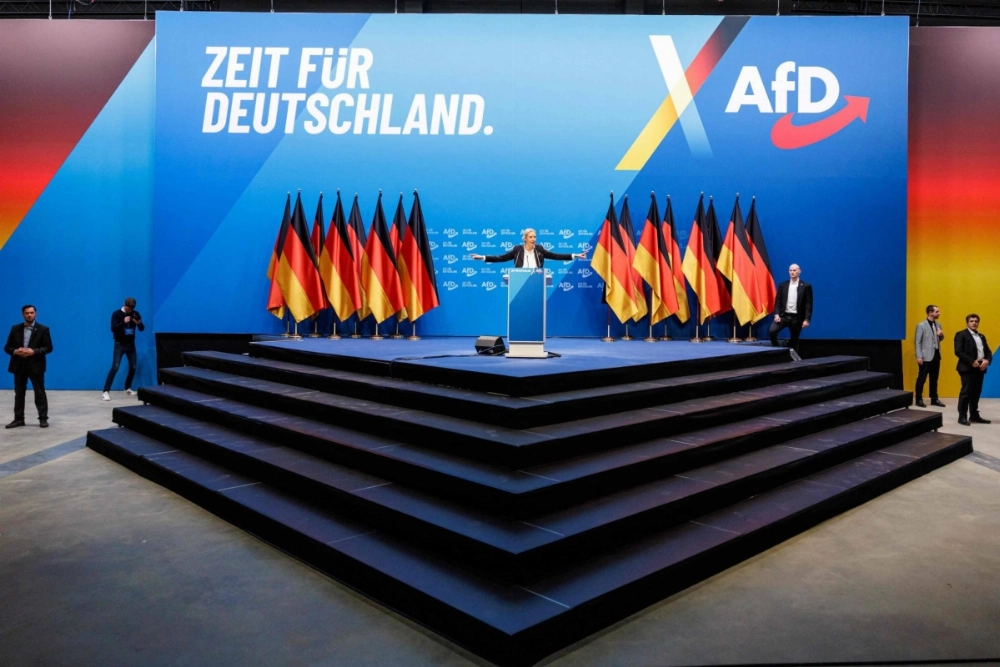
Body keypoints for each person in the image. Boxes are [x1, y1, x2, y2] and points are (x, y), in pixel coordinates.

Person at [5, 305, 52, 429]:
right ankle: (18, 419)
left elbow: (48, 348)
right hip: (19, 365)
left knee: (39, 392)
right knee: (19, 393)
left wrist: (34, 351)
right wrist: (16, 351)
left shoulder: (43, 329)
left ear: (36, 313)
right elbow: (7, 347)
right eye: (27, 313)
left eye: (31, 313)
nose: (29, 315)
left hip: (36, 365)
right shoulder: (15, 329)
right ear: (22, 314)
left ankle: (43, 418)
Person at [471, 228, 587, 267]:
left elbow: (556, 255)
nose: (533, 239)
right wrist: (483, 257)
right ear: (525, 238)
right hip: (519, 281)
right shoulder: (517, 250)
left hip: (536, 281)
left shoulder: (539, 250)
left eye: (535, 237)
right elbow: (501, 258)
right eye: (531, 237)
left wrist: (575, 255)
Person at [102, 297, 145, 401]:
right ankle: (106, 391)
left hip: (131, 344)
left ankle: (127, 388)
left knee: (133, 367)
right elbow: (113, 328)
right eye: (128, 309)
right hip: (119, 344)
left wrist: (138, 323)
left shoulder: (135, 313)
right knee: (115, 367)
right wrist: (123, 322)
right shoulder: (116, 314)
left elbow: (142, 329)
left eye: (131, 309)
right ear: (125, 305)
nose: (129, 311)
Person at [954, 313, 992, 426]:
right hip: (967, 368)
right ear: (967, 322)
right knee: (966, 392)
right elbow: (958, 351)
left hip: (980, 368)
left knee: (976, 392)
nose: (974, 323)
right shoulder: (961, 334)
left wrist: (987, 360)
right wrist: (971, 361)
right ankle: (962, 416)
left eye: (976, 321)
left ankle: (974, 415)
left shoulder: (981, 336)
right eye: (971, 321)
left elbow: (988, 351)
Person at [769, 263, 813, 351]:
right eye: (790, 270)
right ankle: (777, 348)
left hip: (796, 318)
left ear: (799, 271)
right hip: (784, 316)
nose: (792, 272)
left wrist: (807, 319)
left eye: (794, 270)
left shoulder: (806, 286)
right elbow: (778, 301)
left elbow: (809, 304)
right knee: (772, 331)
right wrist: (776, 314)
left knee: (794, 339)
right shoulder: (783, 285)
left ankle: (794, 361)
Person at [914, 304, 946, 408]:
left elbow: (940, 338)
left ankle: (934, 398)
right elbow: (917, 342)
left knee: (934, 378)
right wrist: (919, 356)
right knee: (922, 378)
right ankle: (918, 398)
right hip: (925, 356)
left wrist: (941, 335)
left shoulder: (938, 324)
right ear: (930, 313)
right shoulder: (921, 325)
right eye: (937, 311)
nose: (939, 313)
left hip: (936, 355)